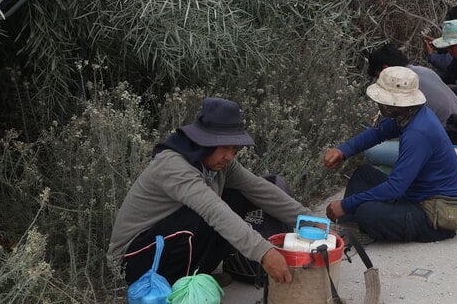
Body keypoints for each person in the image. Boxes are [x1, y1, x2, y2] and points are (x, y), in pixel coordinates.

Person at [107, 97, 309, 286]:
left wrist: (310, 222)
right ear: (204, 142)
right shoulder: (173, 165)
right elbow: (213, 210)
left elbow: (259, 189)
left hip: (164, 242)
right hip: (132, 259)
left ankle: (198, 277)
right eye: (225, 148)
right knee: (200, 215)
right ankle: (177, 289)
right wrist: (265, 253)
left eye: (235, 150)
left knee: (237, 198)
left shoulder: (220, 164)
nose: (230, 156)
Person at [323, 66, 457, 243]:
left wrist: (346, 205)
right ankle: (350, 229)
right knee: (363, 174)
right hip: (415, 196)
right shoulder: (411, 114)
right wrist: (343, 150)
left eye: (382, 101)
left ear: (395, 104)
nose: (379, 104)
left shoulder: (418, 133)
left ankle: (359, 227)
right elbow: (378, 133)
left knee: (366, 211)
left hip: (433, 215)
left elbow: (395, 188)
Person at [362, 43, 457, 170]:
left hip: (445, 142)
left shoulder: (402, 87)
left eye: (379, 77)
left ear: (385, 69)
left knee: (371, 153)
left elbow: (389, 128)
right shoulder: (424, 71)